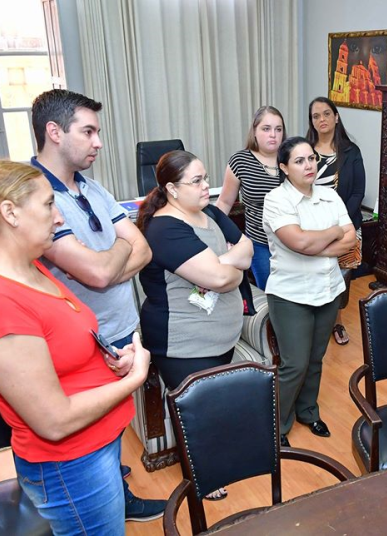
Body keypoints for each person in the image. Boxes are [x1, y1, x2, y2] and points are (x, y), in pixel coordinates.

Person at [0, 161, 151, 535]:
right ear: (10, 213)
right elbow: (54, 420)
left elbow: (62, 341)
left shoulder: (29, 267)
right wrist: (135, 378)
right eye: (49, 204)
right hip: (70, 463)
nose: (58, 217)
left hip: (94, 446)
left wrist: (111, 361)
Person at [29, 89, 165, 522]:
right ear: (54, 132)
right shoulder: (36, 199)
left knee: (113, 424)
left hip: (121, 326)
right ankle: (105, 502)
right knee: (86, 435)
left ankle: (117, 493)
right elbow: (100, 272)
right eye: (88, 131)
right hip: (79, 339)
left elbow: (140, 249)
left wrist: (106, 263)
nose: (98, 142)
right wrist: (110, 260)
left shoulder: (91, 185)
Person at [136, 149, 252, 500]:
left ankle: (213, 460)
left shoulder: (212, 212)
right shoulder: (164, 229)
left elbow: (246, 249)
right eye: (197, 181)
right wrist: (225, 268)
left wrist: (222, 265)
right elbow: (220, 278)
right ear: (172, 189)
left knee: (215, 405)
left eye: (206, 178)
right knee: (196, 412)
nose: (207, 186)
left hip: (221, 336)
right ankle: (200, 476)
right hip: (183, 341)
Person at [263, 136, 355, 447]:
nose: (308, 165)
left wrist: (316, 244)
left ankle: (307, 411)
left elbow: (351, 238)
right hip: (290, 295)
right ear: (284, 168)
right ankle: (277, 427)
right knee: (294, 364)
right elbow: (298, 242)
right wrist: (331, 234)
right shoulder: (277, 200)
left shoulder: (330, 195)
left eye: (312, 158)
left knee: (316, 358)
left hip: (328, 290)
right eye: (299, 161)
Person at [306, 96, 366, 346]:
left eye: (326, 114)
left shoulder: (351, 151)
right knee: (313, 277)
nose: (321, 119)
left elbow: (357, 193)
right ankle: (312, 323)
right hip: (310, 226)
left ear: (336, 117)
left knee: (340, 278)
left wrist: (339, 223)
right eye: (315, 116)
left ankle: (337, 321)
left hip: (345, 227)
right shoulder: (304, 151)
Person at [216, 105, 285, 289]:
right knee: (271, 293)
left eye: (278, 129)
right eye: (266, 129)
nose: (273, 135)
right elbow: (224, 202)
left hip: (291, 242)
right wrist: (215, 233)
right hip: (259, 243)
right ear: (254, 131)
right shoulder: (240, 161)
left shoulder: (291, 158)